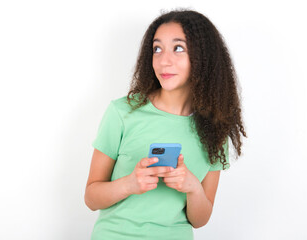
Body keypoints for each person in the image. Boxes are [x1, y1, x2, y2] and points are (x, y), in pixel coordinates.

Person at [84, 9, 247, 240]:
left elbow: (200, 220)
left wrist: (193, 188)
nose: (163, 60)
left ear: (204, 58)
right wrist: (130, 184)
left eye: (178, 48)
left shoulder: (215, 129)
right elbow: (91, 198)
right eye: (157, 49)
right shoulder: (122, 112)